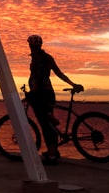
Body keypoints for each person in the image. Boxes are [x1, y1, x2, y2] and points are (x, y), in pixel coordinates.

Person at [26, 34, 83, 165]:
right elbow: (59, 73)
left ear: (31, 46)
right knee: (49, 123)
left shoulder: (37, 59)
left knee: (45, 125)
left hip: (40, 95)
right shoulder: (48, 57)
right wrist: (73, 84)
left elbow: (37, 78)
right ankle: (53, 150)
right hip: (49, 93)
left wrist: (30, 93)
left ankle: (52, 155)